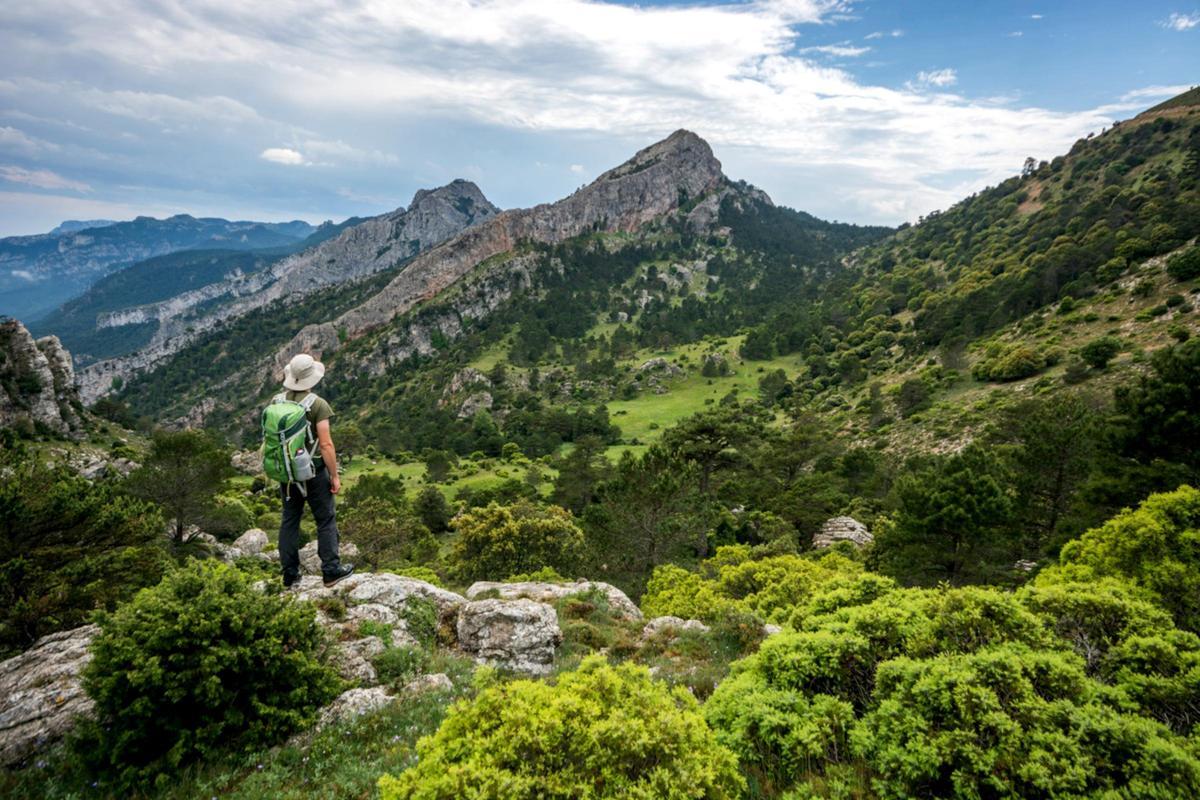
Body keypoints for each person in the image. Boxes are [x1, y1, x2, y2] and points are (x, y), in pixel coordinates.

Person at [277, 353, 354, 589]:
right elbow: (326, 444)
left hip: (287, 474)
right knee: (325, 519)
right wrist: (335, 475)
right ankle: (331, 570)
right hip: (314, 472)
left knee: (290, 520)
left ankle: (290, 575)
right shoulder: (318, 404)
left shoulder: (277, 401)